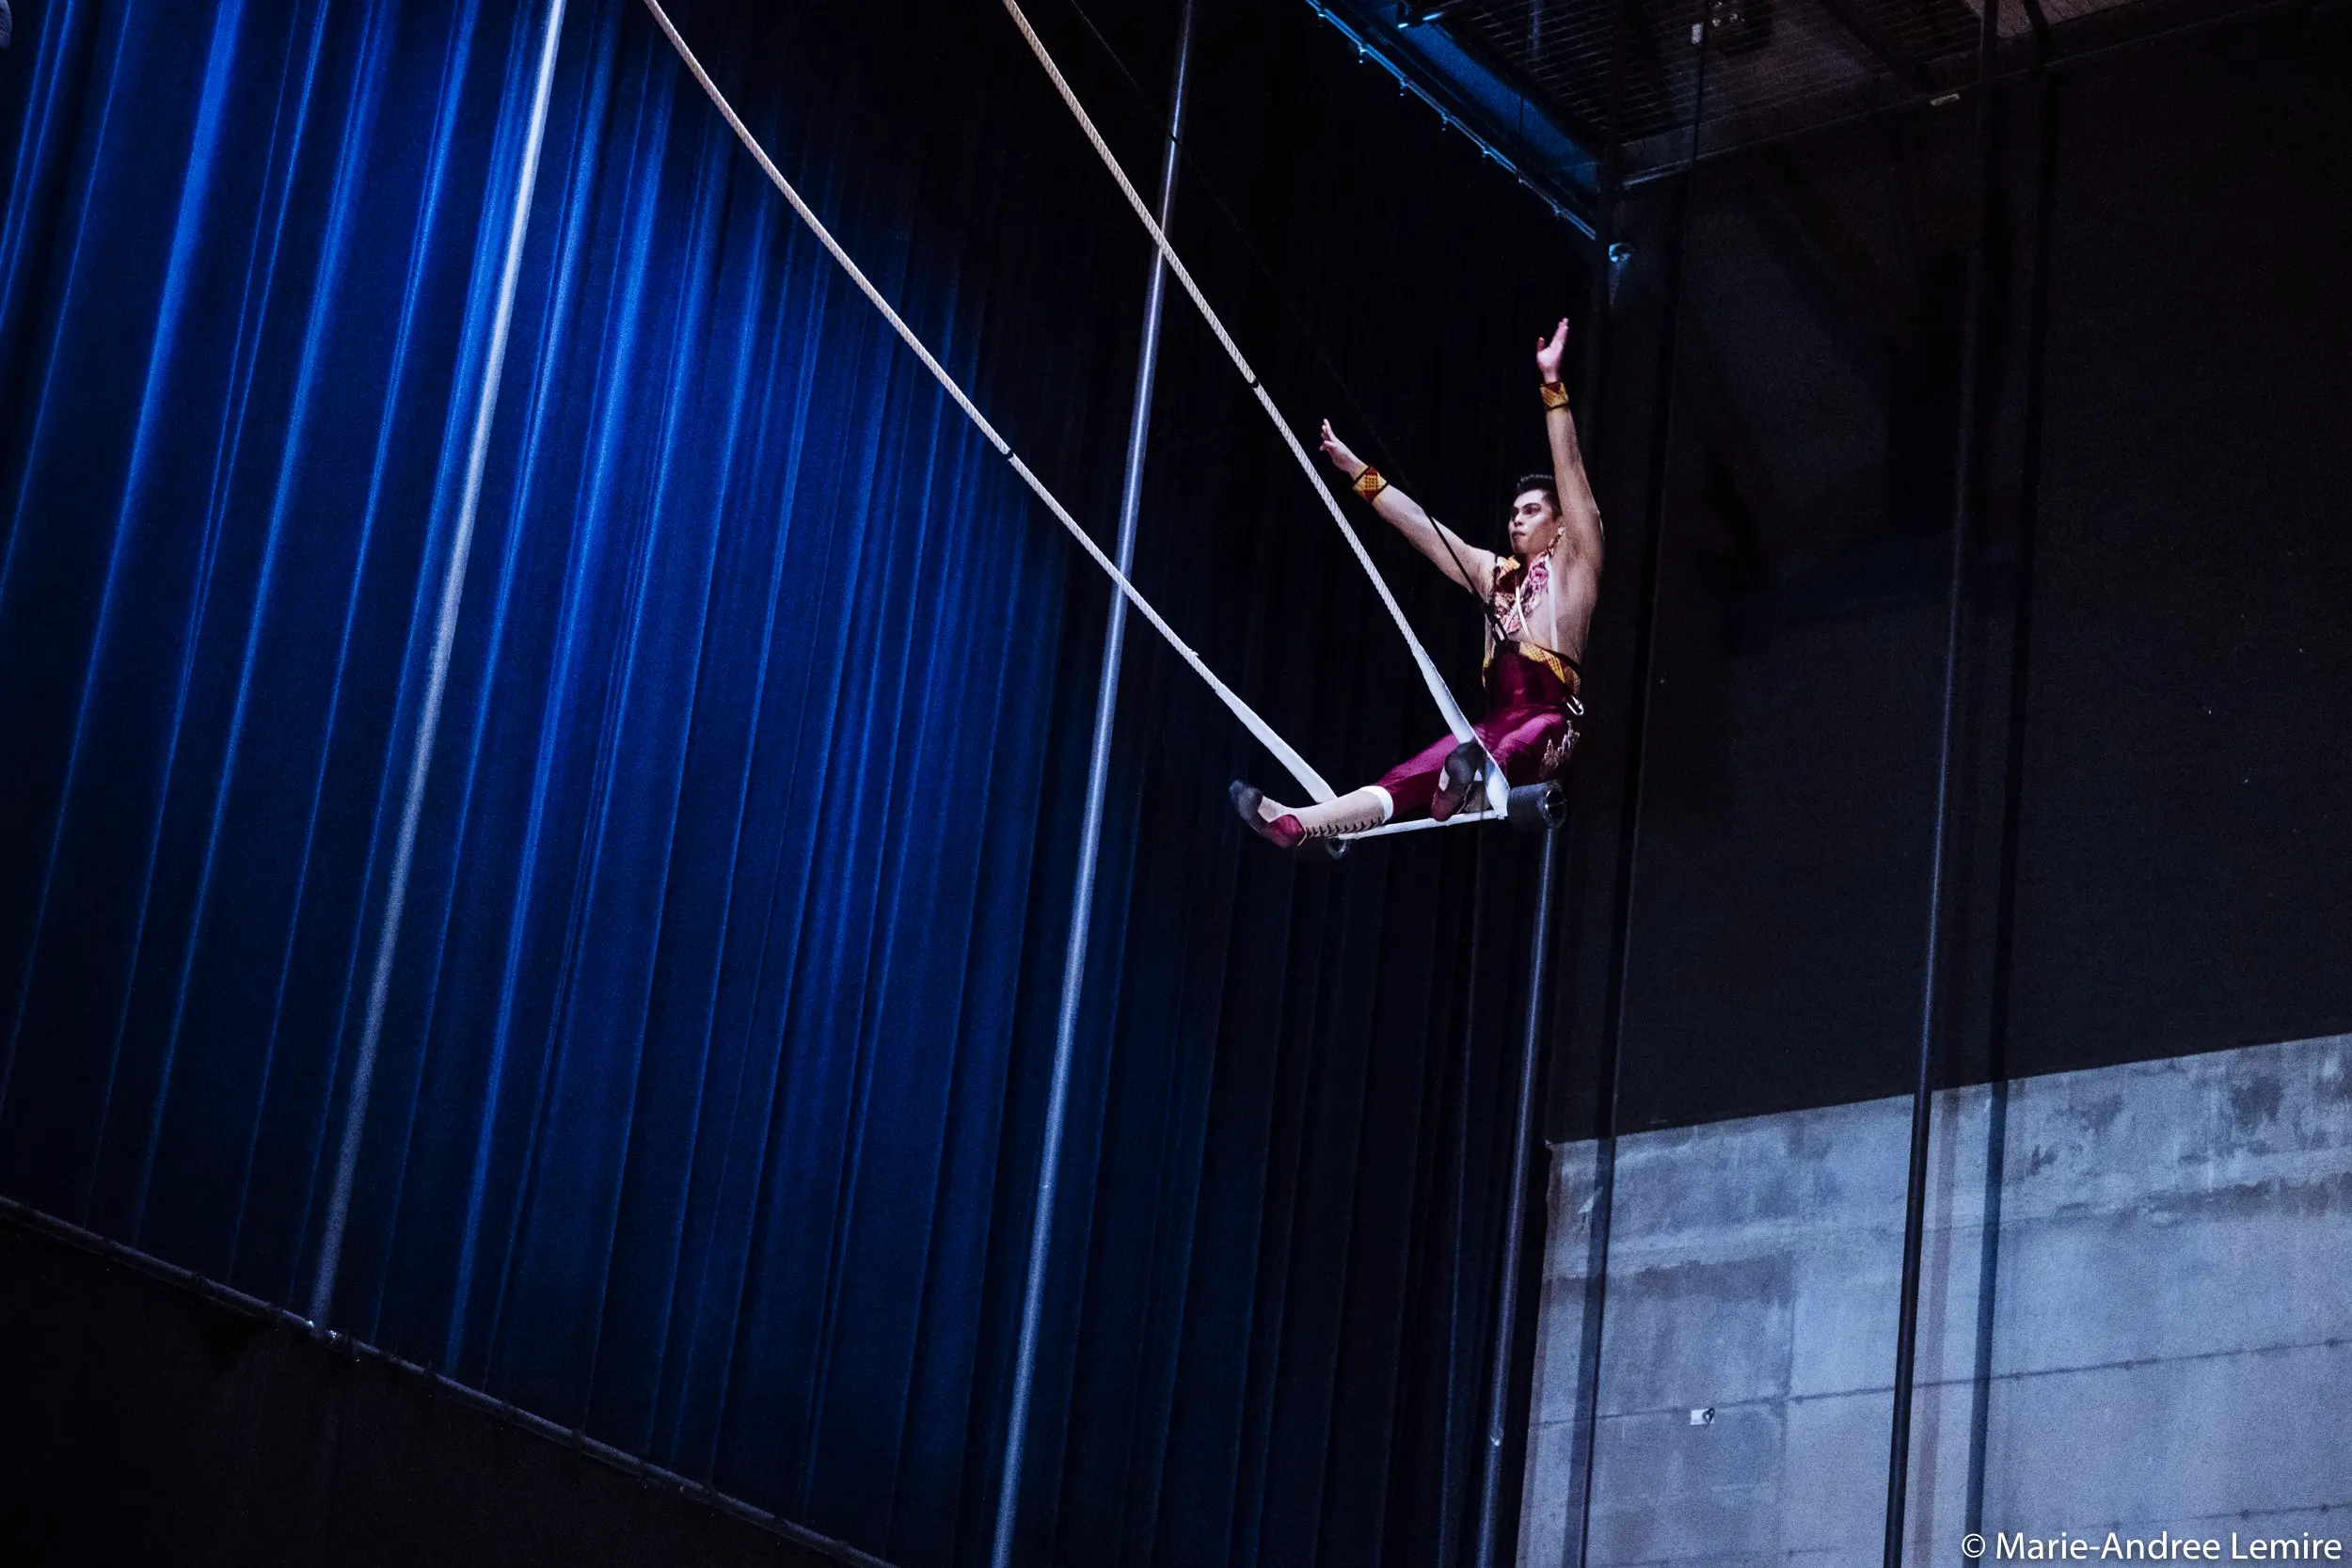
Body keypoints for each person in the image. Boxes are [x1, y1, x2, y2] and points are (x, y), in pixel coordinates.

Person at [1232, 318, 1602, 850]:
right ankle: (1296, 823)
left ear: (1560, 523)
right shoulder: (1492, 574)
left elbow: (1570, 473)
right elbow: (1422, 529)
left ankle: (1458, 787)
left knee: (1502, 747)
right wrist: (1355, 468)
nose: (1516, 520)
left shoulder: (1577, 563)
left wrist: (1552, 388)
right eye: (1513, 512)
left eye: (1531, 511)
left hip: (1549, 724)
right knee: (1414, 771)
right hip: (1490, 733)